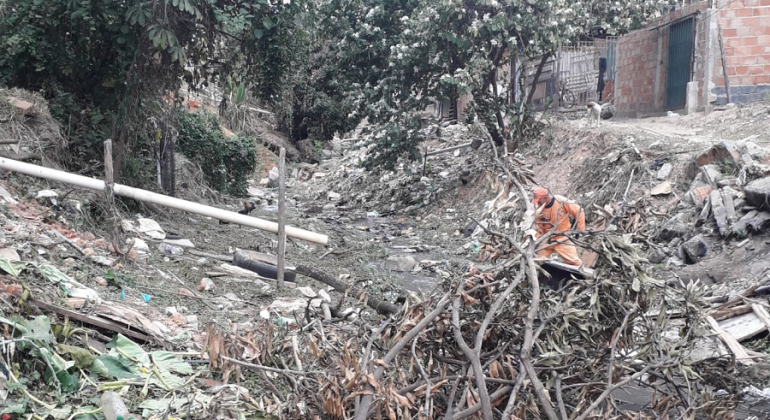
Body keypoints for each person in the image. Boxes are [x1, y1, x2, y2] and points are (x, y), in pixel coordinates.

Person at [531, 187, 586, 267]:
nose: (537, 203)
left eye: (539, 200)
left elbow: (579, 211)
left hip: (563, 238)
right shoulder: (538, 208)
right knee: (537, 262)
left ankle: (582, 278)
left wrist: (580, 230)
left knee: (575, 264)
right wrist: (538, 238)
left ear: (545, 198)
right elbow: (538, 225)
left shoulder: (559, 200)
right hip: (547, 240)